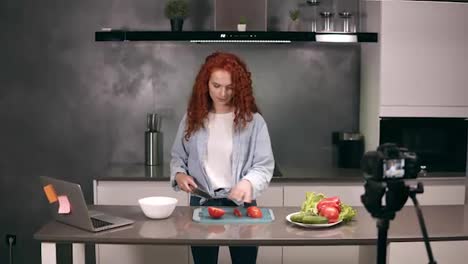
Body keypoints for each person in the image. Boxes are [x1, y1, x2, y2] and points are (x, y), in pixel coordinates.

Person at [170, 51, 274, 264]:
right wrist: (179, 174)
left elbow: (263, 165)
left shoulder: (254, 122)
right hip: (201, 202)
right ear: (205, 84)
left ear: (240, 88)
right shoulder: (192, 119)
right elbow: (178, 157)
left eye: (230, 87)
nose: (223, 93)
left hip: (242, 206)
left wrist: (248, 182)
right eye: (216, 86)